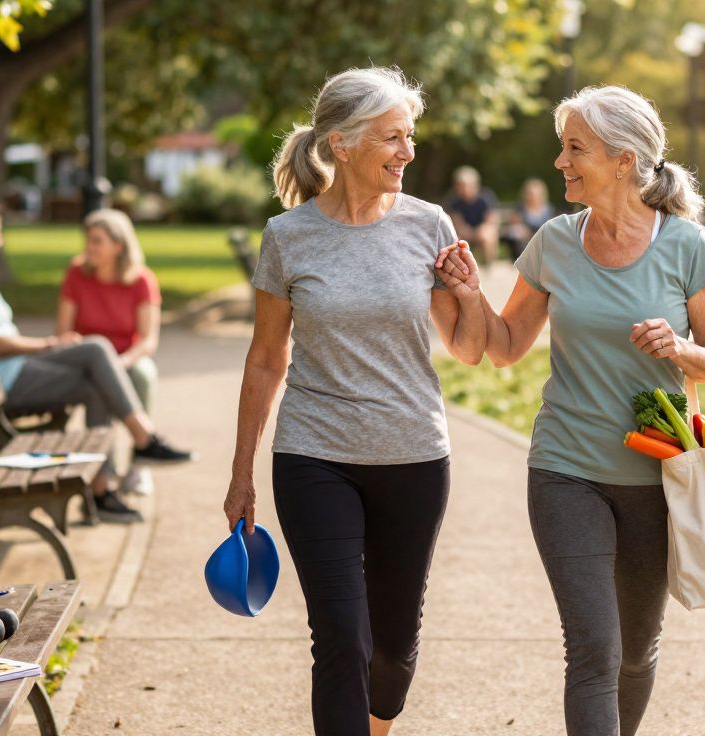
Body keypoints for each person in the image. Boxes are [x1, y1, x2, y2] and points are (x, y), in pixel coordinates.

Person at [436, 85, 705, 736]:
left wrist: (682, 348)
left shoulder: (686, 245)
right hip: (565, 470)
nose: (561, 163)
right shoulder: (555, 243)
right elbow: (507, 347)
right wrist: (468, 294)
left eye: (575, 149)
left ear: (624, 160)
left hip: (659, 479)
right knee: (594, 649)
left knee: (634, 652)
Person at [222, 67, 485, 736]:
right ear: (341, 145)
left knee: (392, 649)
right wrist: (242, 472)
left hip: (413, 455)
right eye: (392, 138)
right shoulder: (288, 237)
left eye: (410, 136)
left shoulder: (429, 225)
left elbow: (468, 348)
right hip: (315, 455)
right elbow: (265, 358)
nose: (409, 152)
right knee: (340, 635)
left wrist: (472, 294)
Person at [0, 193, 193, 521]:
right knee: (95, 353)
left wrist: (50, 345)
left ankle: (105, 487)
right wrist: (48, 344)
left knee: (95, 359)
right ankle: (138, 445)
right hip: (1, 382)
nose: (0, 240)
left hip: (11, 372)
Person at [56, 208, 162, 495]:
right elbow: (63, 331)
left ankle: (139, 466)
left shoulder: (141, 280)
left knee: (143, 373)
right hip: (85, 358)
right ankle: (106, 467)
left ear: (118, 246)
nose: (88, 247)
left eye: (96, 241)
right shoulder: (76, 273)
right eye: (88, 240)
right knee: (99, 382)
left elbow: (148, 340)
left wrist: (122, 362)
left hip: (126, 358)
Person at [445, 165, 501, 264]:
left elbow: (492, 220)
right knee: (455, 239)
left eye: (462, 185)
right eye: (458, 185)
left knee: (486, 236)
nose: (459, 188)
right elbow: (457, 221)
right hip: (465, 231)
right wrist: (467, 231)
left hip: (483, 229)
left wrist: (481, 230)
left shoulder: (486, 197)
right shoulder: (454, 200)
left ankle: (488, 265)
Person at [500, 177, 556, 260]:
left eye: (534, 194)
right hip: (523, 243)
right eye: (529, 194)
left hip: (541, 241)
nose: (532, 197)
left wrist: (529, 233)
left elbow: (550, 229)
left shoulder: (547, 210)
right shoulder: (520, 208)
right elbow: (512, 226)